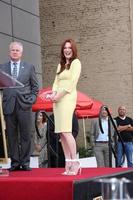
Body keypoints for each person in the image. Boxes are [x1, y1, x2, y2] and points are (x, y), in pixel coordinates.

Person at [0, 41, 39, 171]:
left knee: (25, 135)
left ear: (21, 53)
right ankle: (15, 163)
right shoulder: (2, 68)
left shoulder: (29, 67)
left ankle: (25, 162)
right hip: (9, 106)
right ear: (9, 52)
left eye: (17, 50)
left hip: (24, 106)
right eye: (13, 50)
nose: (15, 52)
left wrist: (32, 99)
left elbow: (35, 87)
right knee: (11, 136)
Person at [46, 39, 81, 175]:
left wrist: (58, 96)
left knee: (67, 131)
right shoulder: (60, 64)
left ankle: (75, 162)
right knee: (61, 132)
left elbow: (71, 83)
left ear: (73, 50)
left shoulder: (76, 63)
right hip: (57, 100)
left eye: (69, 48)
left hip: (67, 98)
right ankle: (68, 163)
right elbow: (56, 82)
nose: (67, 50)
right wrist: (53, 94)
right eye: (65, 48)